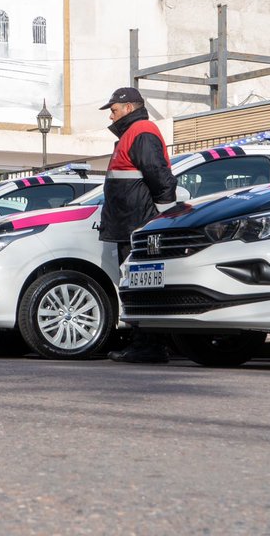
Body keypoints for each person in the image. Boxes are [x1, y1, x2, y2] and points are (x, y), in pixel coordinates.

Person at [97, 87, 178, 365]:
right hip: (132, 223)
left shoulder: (140, 130)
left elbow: (159, 175)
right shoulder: (134, 132)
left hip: (137, 224)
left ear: (128, 108)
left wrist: (164, 216)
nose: (111, 115)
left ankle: (149, 346)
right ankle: (146, 344)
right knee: (136, 285)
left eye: (114, 109)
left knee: (140, 285)